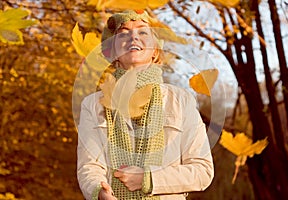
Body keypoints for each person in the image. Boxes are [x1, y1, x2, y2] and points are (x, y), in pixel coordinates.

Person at [77, 10, 214, 200]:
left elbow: (202, 170)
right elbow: (89, 167)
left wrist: (149, 179)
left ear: (155, 49)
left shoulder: (181, 101)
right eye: (123, 33)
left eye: (142, 32)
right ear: (113, 52)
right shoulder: (93, 105)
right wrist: (100, 193)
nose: (133, 37)